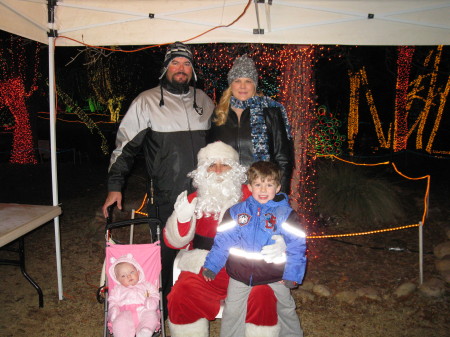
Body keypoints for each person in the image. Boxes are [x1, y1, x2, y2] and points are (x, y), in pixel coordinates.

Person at [102, 41, 215, 313]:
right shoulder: (147, 101)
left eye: (186, 64)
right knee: (165, 254)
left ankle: (194, 304)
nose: (181, 68)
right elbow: (125, 147)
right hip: (166, 194)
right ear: (166, 68)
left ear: (193, 70)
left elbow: (219, 146)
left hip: (205, 194)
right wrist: (115, 185)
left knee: (202, 251)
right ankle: (159, 311)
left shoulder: (205, 101)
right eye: (175, 63)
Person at [164, 141, 288, 337]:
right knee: (182, 293)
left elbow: (281, 221)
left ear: (236, 170)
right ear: (203, 170)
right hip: (205, 266)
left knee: (263, 294)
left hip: (248, 266)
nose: (219, 170)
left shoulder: (254, 196)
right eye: (212, 164)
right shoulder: (193, 200)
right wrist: (182, 218)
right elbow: (173, 242)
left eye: (225, 165)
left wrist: (282, 242)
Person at [202, 160, 307, 337]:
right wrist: (212, 265)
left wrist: (292, 275)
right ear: (249, 187)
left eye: (269, 184)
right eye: (258, 184)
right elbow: (223, 241)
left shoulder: (286, 214)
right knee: (232, 312)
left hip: (275, 273)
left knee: (286, 308)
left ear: (278, 187)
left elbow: (297, 246)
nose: (263, 190)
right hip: (240, 273)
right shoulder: (236, 212)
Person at [208, 54, 293, 193]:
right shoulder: (219, 115)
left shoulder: (271, 113)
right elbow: (210, 158)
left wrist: (280, 194)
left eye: (248, 81)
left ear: (254, 84)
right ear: (231, 84)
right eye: (237, 80)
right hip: (227, 191)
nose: (242, 86)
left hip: (262, 190)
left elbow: (283, 158)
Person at [108, 254, 160, 337]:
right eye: (123, 276)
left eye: (132, 272)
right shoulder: (118, 289)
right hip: (124, 312)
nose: (129, 276)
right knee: (119, 322)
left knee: (151, 315)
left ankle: (145, 331)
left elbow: (155, 293)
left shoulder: (146, 285)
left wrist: (152, 301)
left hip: (144, 309)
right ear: (118, 280)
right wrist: (113, 309)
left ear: (138, 272)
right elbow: (112, 300)